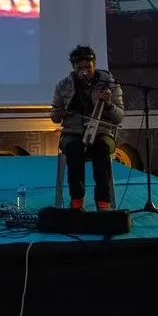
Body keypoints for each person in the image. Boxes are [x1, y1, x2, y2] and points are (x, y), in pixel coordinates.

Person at [49, 45, 124, 210]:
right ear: (73, 68)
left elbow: (119, 117)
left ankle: (103, 201)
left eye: (88, 67)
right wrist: (59, 113)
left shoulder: (110, 84)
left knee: (102, 147)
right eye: (79, 69)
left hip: (101, 131)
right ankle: (76, 199)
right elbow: (54, 116)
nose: (84, 72)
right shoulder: (63, 85)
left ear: (94, 64)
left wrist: (109, 104)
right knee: (73, 147)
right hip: (72, 132)